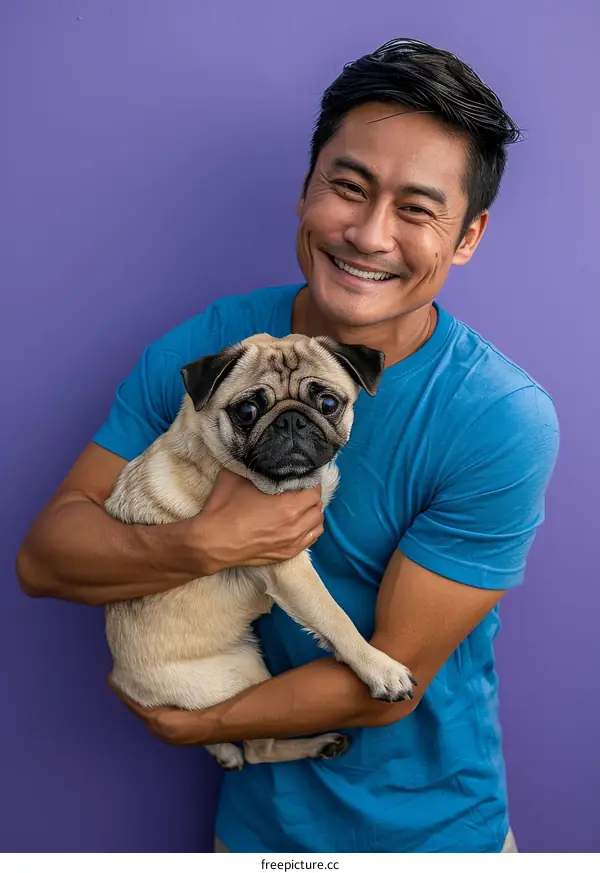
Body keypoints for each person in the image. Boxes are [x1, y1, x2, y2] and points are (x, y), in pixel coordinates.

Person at [16, 38, 559, 853]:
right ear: (305, 191)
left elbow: (387, 684)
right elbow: (46, 559)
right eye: (348, 187)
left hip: (435, 838)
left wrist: (205, 724)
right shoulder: (205, 350)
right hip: (256, 834)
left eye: (416, 208)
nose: (370, 234)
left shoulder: (498, 419)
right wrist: (206, 541)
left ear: (468, 235)